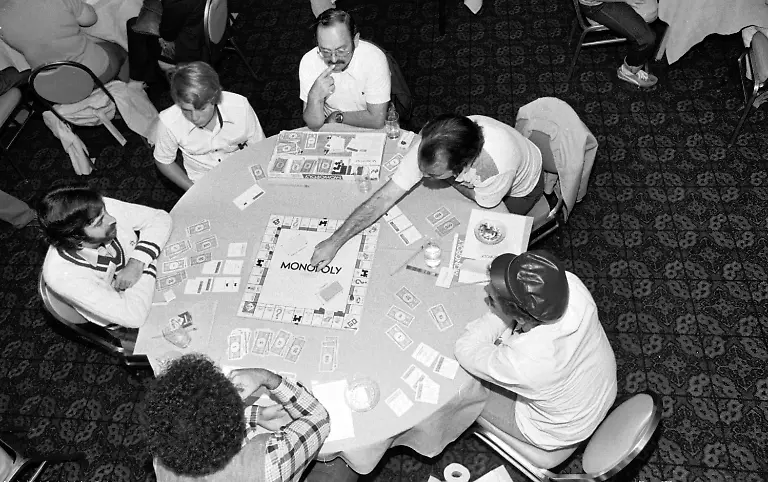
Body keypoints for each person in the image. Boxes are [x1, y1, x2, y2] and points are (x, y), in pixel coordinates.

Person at [310, 113, 543, 269]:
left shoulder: (494, 169)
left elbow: (485, 202)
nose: (422, 175)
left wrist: (451, 182)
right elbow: (384, 197)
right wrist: (334, 241)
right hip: (474, 176)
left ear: (459, 168)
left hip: (521, 190)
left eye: (432, 175)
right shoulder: (432, 144)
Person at [454, 251, 618, 450]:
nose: (486, 289)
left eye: (491, 297)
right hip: (599, 388)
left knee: (464, 390)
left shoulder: (527, 362)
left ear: (521, 318)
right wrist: (505, 307)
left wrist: (498, 313)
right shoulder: (572, 285)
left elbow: (465, 349)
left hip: (557, 430)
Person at [145, 353, 358, 482]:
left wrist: (255, 414)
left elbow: (194, 427)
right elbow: (318, 418)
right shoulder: (271, 462)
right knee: (343, 462)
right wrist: (267, 378)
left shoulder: (163, 455)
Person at [39, 184, 171, 331]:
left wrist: (137, 262)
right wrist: (148, 264)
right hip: (128, 324)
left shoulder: (94, 209)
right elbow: (134, 316)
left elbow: (159, 218)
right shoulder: (63, 276)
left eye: (105, 212)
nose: (112, 219)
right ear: (76, 238)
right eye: (99, 222)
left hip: (147, 275)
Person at [153, 61, 265, 191]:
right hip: (203, 180)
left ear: (215, 98)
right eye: (186, 110)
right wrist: (194, 190)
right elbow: (163, 161)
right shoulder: (168, 122)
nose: (194, 117)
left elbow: (260, 145)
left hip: (243, 167)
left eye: (201, 109)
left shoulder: (240, 106)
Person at [299, 8, 391, 130]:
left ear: (355, 40)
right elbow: (313, 125)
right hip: (331, 127)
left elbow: (377, 120)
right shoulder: (309, 61)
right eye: (325, 51)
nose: (334, 59)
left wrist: (337, 117)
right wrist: (314, 97)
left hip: (367, 126)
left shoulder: (374, 59)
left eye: (341, 50)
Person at [0, 0, 128, 83]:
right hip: (92, 75)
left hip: (49, 87)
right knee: (115, 45)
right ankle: (129, 80)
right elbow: (90, 19)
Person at [578, 0, 658, 88]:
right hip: (598, 5)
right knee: (645, 40)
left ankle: (625, 30)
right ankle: (628, 71)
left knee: (657, 9)